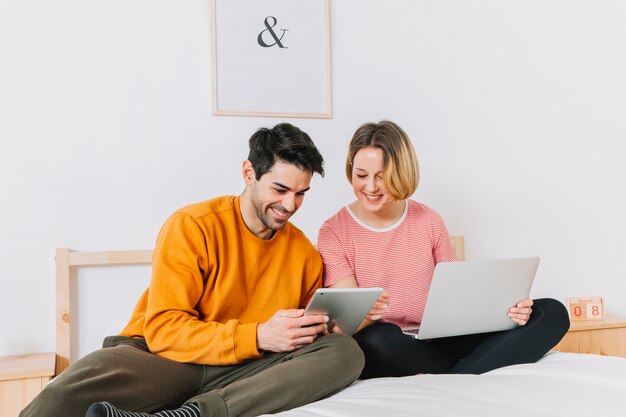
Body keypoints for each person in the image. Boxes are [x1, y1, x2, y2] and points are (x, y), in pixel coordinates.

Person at [21, 123, 364, 417]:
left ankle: (193, 413)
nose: (290, 205)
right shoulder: (192, 225)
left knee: (345, 352)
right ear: (249, 173)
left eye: (301, 193)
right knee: (58, 399)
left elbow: (302, 336)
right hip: (165, 360)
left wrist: (330, 323)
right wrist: (257, 335)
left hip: (247, 369)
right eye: (280, 189)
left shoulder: (303, 252)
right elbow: (165, 329)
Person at [317, 120, 569, 379]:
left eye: (382, 177)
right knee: (376, 340)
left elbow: (460, 296)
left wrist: (509, 311)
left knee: (552, 312)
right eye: (361, 175)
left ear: (401, 171)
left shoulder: (428, 220)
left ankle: (457, 378)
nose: (370, 187)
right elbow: (347, 327)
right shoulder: (334, 232)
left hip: (442, 337)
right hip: (391, 344)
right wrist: (369, 314)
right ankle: (478, 367)